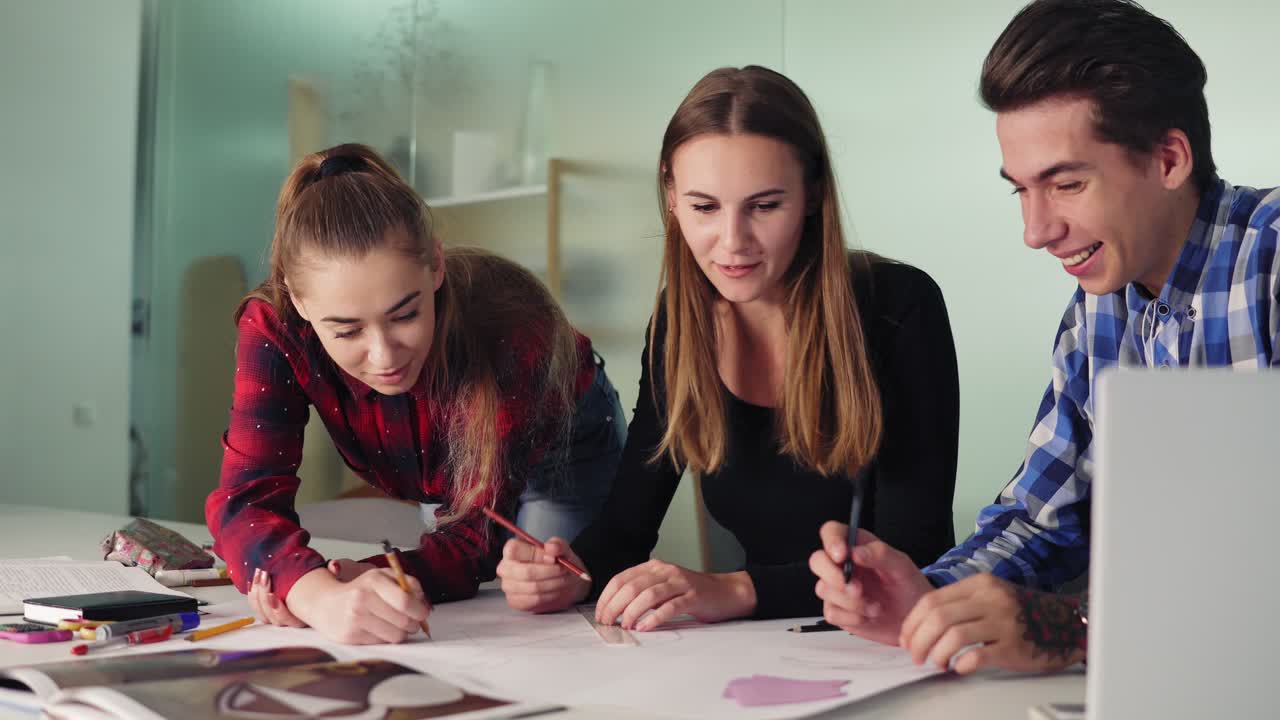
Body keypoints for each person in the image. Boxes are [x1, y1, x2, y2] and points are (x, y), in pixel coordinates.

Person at [811, 0, 1280, 674]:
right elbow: (1045, 518)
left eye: (1065, 183)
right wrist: (934, 597)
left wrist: (1079, 627)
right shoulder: (1097, 311)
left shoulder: (1272, 262)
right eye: (1020, 191)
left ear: (1170, 158)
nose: (1035, 230)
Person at [497, 66, 960, 629]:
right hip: (765, 647)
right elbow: (626, 527)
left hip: (891, 642)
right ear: (671, 196)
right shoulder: (676, 324)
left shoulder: (899, 307)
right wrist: (567, 571)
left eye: (764, 206)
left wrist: (734, 589)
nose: (733, 243)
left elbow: (914, 553)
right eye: (704, 208)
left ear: (813, 192)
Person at [206, 143, 626, 645]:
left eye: (405, 314)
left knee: (546, 601)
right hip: (442, 462)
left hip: (563, 437)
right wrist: (314, 592)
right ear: (298, 302)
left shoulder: (513, 330)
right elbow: (247, 498)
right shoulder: (274, 326)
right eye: (346, 331)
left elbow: (475, 542)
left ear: (436, 267)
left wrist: (347, 579)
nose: (384, 357)